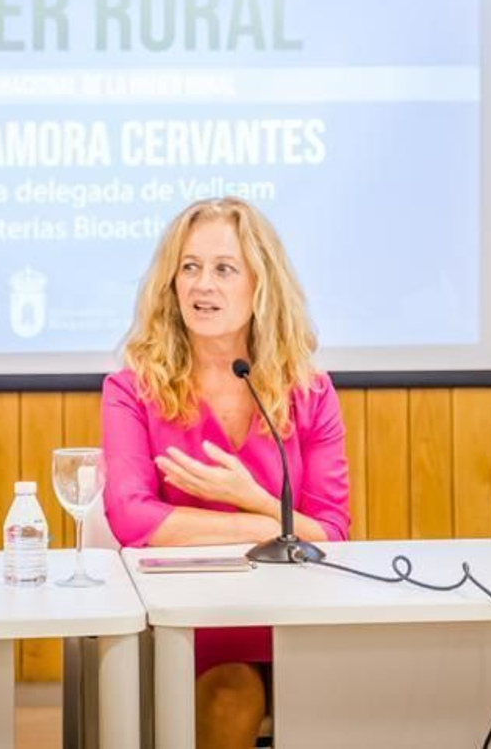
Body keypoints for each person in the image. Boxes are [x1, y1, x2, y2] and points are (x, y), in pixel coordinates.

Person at [102, 197, 350, 749]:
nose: (202, 286)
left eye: (223, 269)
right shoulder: (133, 389)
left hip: (299, 611)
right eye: (189, 267)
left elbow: (332, 533)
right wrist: (270, 526)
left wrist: (252, 498)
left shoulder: (309, 391)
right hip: (194, 616)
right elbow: (131, 518)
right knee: (232, 692)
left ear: (260, 284)